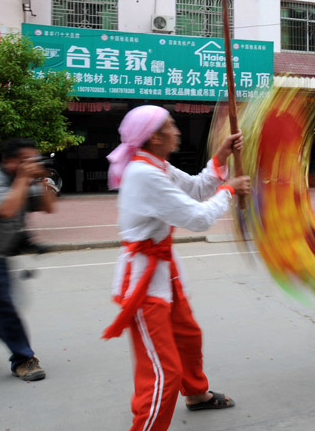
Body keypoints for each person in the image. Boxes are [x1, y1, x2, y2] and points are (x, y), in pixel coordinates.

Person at [104, 105, 251, 431]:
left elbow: (198, 189)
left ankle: (196, 394)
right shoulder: (145, 174)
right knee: (162, 372)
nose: (177, 131)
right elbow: (197, 218)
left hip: (163, 274)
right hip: (144, 282)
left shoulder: (157, 166)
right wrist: (229, 191)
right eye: (171, 126)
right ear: (154, 136)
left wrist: (221, 157)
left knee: (187, 337)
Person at [0, 138, 56, 381]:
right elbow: (6, 209)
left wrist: (42, 178)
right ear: (9, 162)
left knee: (2, 309)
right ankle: (23, 359)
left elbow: (49, 208)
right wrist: (22, 178)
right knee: (5, 308)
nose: (31, 165)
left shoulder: (21, 182)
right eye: (25, 161)